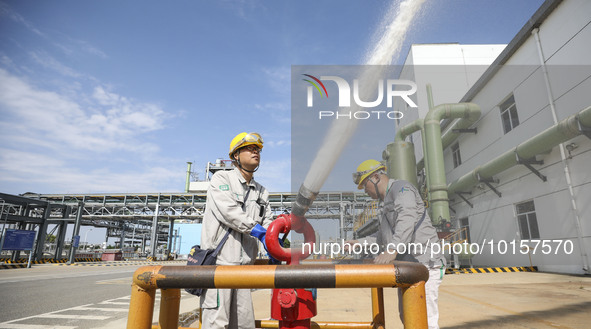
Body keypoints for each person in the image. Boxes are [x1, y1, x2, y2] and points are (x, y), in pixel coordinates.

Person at [350, 159, 445, 329]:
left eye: (365, 185)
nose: (365, 191)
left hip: (425, 264)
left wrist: (393, 249)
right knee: (408, 316)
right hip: (408, 267)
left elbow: (407, 217)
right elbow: (382, 238)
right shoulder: (385, 204)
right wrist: (358, 242)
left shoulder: (402, 189)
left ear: (376, 177)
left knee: (425, 320)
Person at [200, 132, 275, 329]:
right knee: (217, 323)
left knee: (243, 324)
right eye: (250, 148)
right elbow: (229, 212)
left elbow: (268, 220)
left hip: (245, 270)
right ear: (235, 155)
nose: (255, 151)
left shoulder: (262, 191)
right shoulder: (221, 179)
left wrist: (273, 244)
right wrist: (257, 231)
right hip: (219, 266)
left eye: (257, 149)